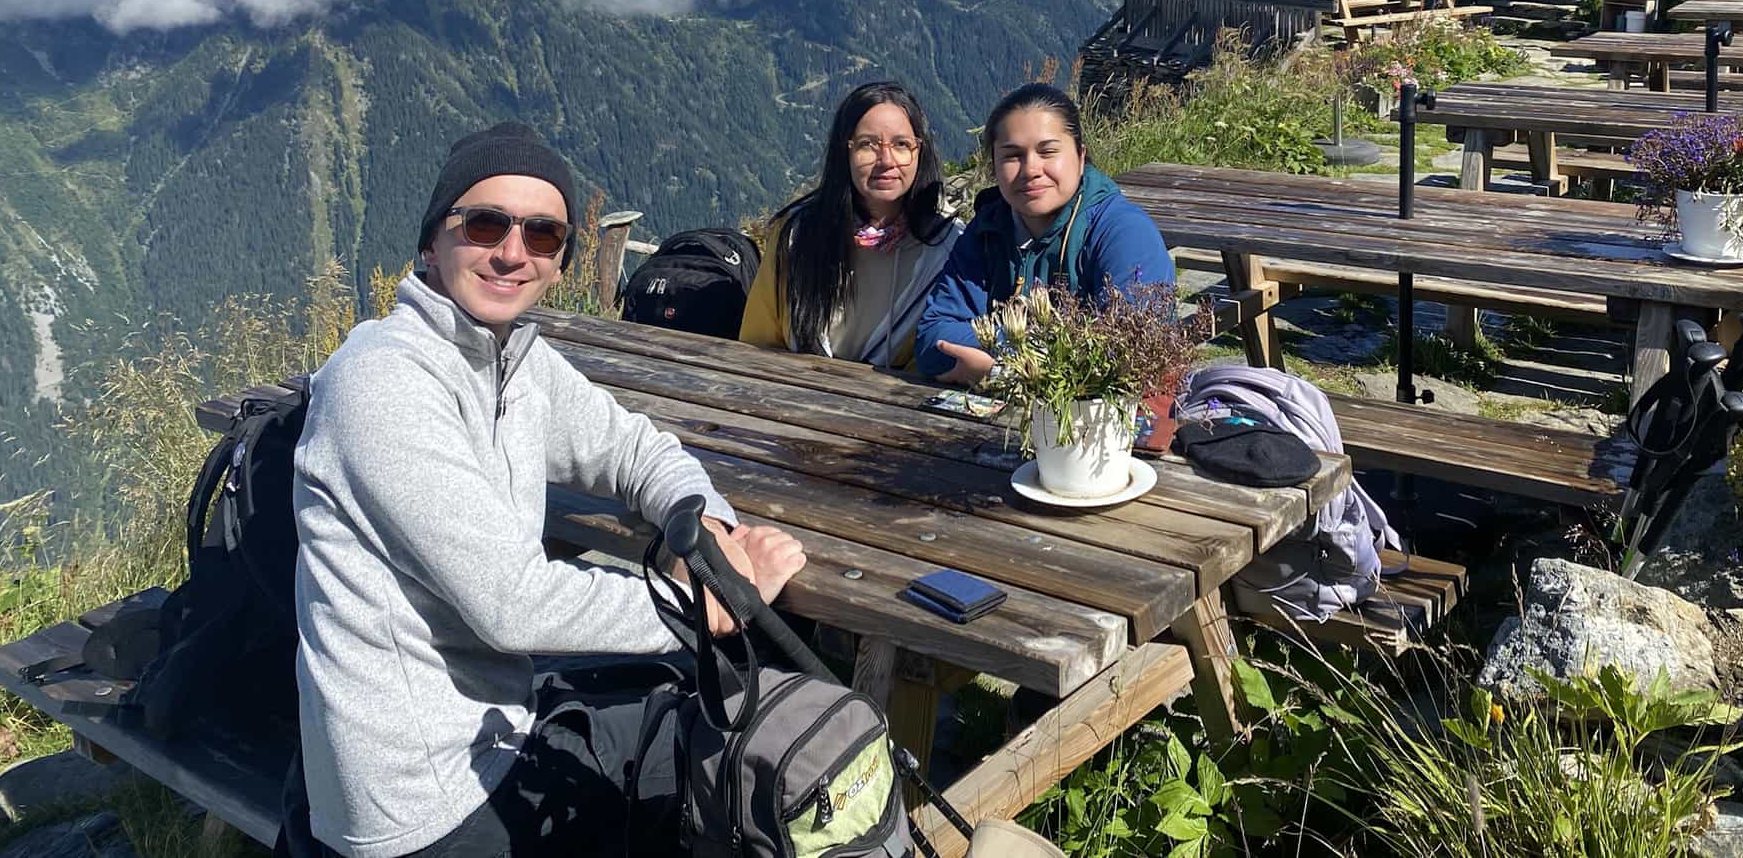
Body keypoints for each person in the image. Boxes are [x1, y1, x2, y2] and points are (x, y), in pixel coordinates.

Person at [292, 122, 806, 858]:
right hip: (418, 798)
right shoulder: (384, 382)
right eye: (485, 224)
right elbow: (515, 606)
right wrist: (713, 608)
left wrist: (706, 530)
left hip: (493, 719)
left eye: (542, 235)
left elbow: (635, 449)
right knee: (747, 751)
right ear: (432, 241)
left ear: (562, 262)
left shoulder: (511, 359)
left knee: (714, 712)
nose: (512, 251)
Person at [914, 83, 1175, 386]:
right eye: (1012, 155)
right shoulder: (987, 230)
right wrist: (1034, 344)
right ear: (994, 165)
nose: (1031, 169)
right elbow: (931, 341)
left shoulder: (1123, 233)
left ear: (1080, 155)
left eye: (1048, 151)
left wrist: (1000, 367)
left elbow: (1130, 352)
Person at [740, 82, 961, 370]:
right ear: (845, 151)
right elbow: (758, 343)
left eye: (902, 145)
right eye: (867, 145)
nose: (886, 160)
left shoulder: (946, 247)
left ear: (920, 152)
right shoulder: (798, 234)